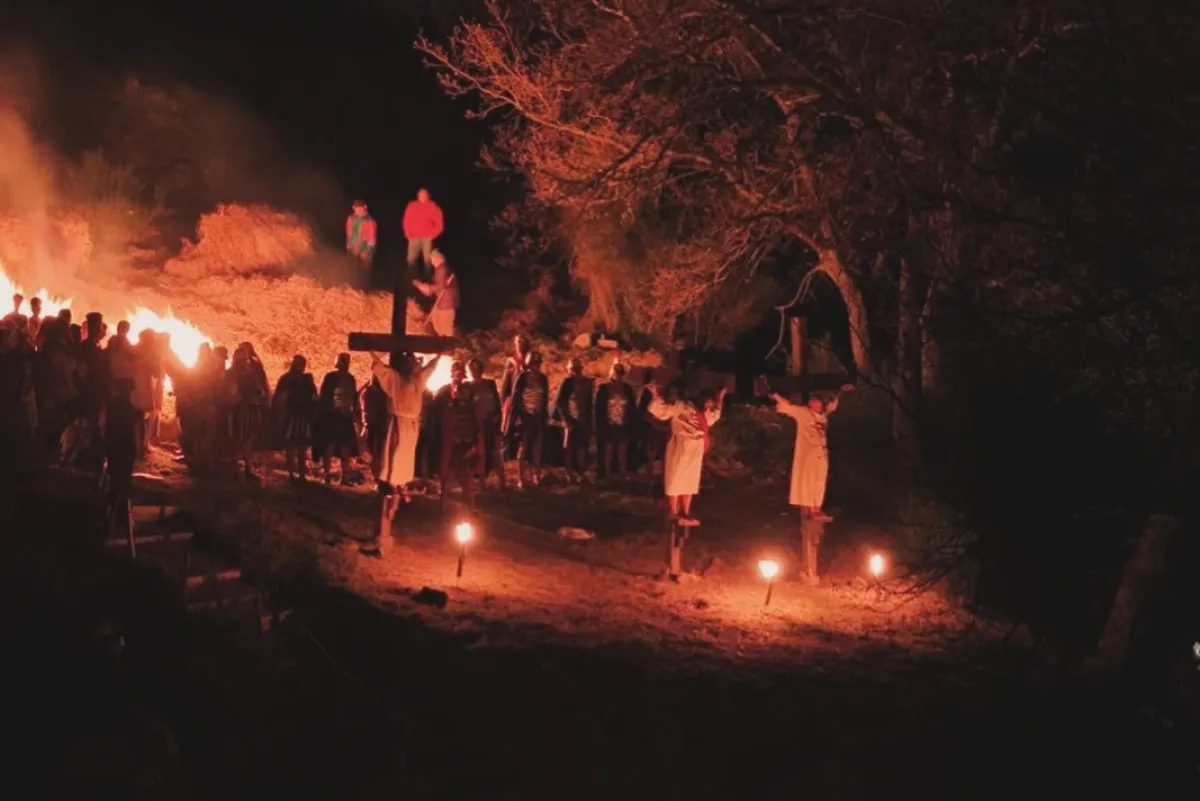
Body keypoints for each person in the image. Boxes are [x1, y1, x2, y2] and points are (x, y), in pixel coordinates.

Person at [369, 352, 443, 519]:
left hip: (411, 425)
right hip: (399, 423)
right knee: (395, 455)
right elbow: (382, 369)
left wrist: (438, 356)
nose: (409, 366)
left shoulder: (417, 380)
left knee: (406, 457)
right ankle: (393, 490)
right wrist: (371, 352)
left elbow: (428, 370)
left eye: (411, 362)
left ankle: (401, 487)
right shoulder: (395, 379)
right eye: (406, 362)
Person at [769, 385, 854, 522]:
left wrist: (841, 391)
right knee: (808, 479)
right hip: (807, 453)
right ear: (810, 404)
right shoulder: (803, 413)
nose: (817, 407)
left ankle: (816, 508)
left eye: (819, 405)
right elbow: (788, 406)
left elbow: (832, 402)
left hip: (821, 453)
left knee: (819, 481)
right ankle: (812, 508)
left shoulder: (823, 416)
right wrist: (775, 395)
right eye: (814, 404)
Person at [646, 384, 728, 525]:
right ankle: (672, 512)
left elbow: (715, 415)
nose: (708, 403)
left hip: (696, 447)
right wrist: (655, 393)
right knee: (675, 478)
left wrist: (720, 396)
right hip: (680, 444)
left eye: (709, 400)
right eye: (706, 399)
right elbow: (662, 410)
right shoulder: (681, 406)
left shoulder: (704, 410)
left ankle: (685, 512)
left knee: (690, 480)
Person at [436, 360, 480, 509]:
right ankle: (443, 498)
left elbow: (474, 413)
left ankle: (469, 502)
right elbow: (437, 414)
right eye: (457, 373)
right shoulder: (443, 392)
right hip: (449, 437)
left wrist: (474, 435)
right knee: (447, 468)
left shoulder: (470, 390)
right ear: (452, 374)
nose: (459, 377)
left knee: (466, 470)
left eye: (462, 374)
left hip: (465, 436)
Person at [272, 355, 319, 481]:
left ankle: (298, 474)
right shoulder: (288, 379)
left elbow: (313, 397)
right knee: (293, 447)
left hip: (300, 416)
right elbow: (279, 397)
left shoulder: (305, 380)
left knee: (298, 447)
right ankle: (294, 474)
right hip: (292, 416)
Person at [227, 343, 270, 481]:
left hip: (250, 411)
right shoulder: (231, 374)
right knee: (237, 440)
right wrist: (243, 396)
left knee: (248, 441)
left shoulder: (250, 373)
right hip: (237, 412)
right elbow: (231, 394)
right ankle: (235, 469)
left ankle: (247, 468)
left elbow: (259, 389)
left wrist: (257, 396)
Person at [315, 353, 360, 485]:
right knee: (329, 444)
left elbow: (353, 396)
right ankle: (327, 474)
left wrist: (353, 413)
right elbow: (324, 395)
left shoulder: (350, 378)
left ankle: (344, 475)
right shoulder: (331, 377)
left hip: (345, 415)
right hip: (332, 414)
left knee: (345, 445)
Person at [509, 350, 549, 488]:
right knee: (523, 447)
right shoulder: (522, 378)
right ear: (529, 364)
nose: (537, 366)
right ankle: (521, 478)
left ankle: (536, 475)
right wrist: (514, 419)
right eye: (534, 363)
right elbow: (515, 399)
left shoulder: (543, 378)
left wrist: (544, 415)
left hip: (537, 417)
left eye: (539, 363)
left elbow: (545, 399)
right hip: (525, 416)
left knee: (537, 447)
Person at [466, 357, 505, 489]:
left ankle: (503, 483)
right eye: (473, 369)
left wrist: (497, 419)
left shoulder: (490, 384)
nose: (475, 371)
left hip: (492, 423)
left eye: (477, 369)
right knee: (481, 454)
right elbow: (469, 407)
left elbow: (496, 403)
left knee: (496, 453)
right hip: (478, 425)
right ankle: (482, 483)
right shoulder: (469, 387)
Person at [594, 361, 637, 479]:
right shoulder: (604, 388)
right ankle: (607, 473)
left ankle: (621, 472)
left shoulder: (627, 389)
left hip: (623, 425)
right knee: (608, 450)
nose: (618, 375)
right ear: (612, 373)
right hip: (608, 424)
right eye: (616, 373)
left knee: (621, 451)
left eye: (620, 373)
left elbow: (632, 407)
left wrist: (630, 422)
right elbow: (599, 408)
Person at [553, 357, 593, 482]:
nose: (575, 372)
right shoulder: (566, 383)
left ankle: (581, 473)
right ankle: (568, 473)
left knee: (581, 447)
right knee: (569, 447)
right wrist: (565, 420)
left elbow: (589, 403)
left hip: (583, 419)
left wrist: (590, 421)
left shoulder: (587, 383)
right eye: (573, 370)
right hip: (570, 419)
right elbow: (559, 403)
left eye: (577, 369)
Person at [411, 251, 459, 336]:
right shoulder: (443, 268)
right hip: (443, 303)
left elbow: (441, 286)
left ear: (438, 259)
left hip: (446, 304)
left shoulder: (441, 269)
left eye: (433, 260)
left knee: (445, 330)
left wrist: (424, 287)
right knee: (436, 320)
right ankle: (442, 343)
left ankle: (447, 346)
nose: (432, 263)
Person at [402, 188, 444, 276]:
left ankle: (428, 278)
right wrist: (408, 233)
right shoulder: (412, 206)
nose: (422, 196)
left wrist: (432, 235)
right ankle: (411, 277)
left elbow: (439, 224)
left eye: (424, 194)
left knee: (428, 261)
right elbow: (406, 220)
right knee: (411, 259)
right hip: (413, 237)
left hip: (427, 238)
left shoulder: (433, 207)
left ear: (428, 196)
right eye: (420, 194)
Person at [345, 200, 377, 272]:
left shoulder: (370, 221)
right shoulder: (351, 219)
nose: (359, 210)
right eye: (357, 208)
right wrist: (349, 245)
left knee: (364, 272)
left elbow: (372, 239)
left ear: (365, 207)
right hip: (353, 249)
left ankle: (365, 282)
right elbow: (348, 233)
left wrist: (366, 251)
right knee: (351, 270)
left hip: (365, 250)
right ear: (353, 208)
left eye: (361, 208)